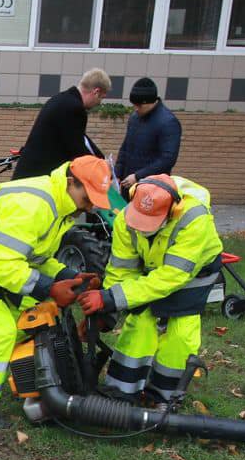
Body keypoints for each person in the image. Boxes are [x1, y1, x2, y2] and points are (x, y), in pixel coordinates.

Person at [0, 156, 113, 428]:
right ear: (71, 183)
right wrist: (49, 287)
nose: (91, 205)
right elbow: (3, 263)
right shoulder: (35, 205)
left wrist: (68, 276)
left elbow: (35, 256)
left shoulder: (60, 209)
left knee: (26, 317)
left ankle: (27, 380)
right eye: (88, 197)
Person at [77, 173, 222, 408]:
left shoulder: (194, 219)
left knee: (180, 332)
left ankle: (164, 397)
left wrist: (111, 298)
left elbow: (171, 277)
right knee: (140, 322)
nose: (142, 229)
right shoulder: (126, 218)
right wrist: (107, 311)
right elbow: (121, 270)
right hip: (153, 269)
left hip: (193, 274)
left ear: (171, 212)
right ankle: (122, 390)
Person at [12, 69, 110, 180]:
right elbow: (77, 149)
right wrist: (99, 166)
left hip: (29, 174)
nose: (99, 103)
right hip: (39, 179)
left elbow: (81, 138)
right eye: (101, 98)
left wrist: (99, 159)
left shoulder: (60, 99)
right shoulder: (74, 109)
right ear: (96, 92)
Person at [115, 77, 182, 197]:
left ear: (151, 102)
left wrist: (138, 176)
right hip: (128, 185)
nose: (136, 109)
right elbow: (125, 147)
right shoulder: (134, 118)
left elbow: (167, 159)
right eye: (134, 105)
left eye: (139, 106)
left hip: (151, 189)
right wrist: (117, 173)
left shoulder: (168, 122)